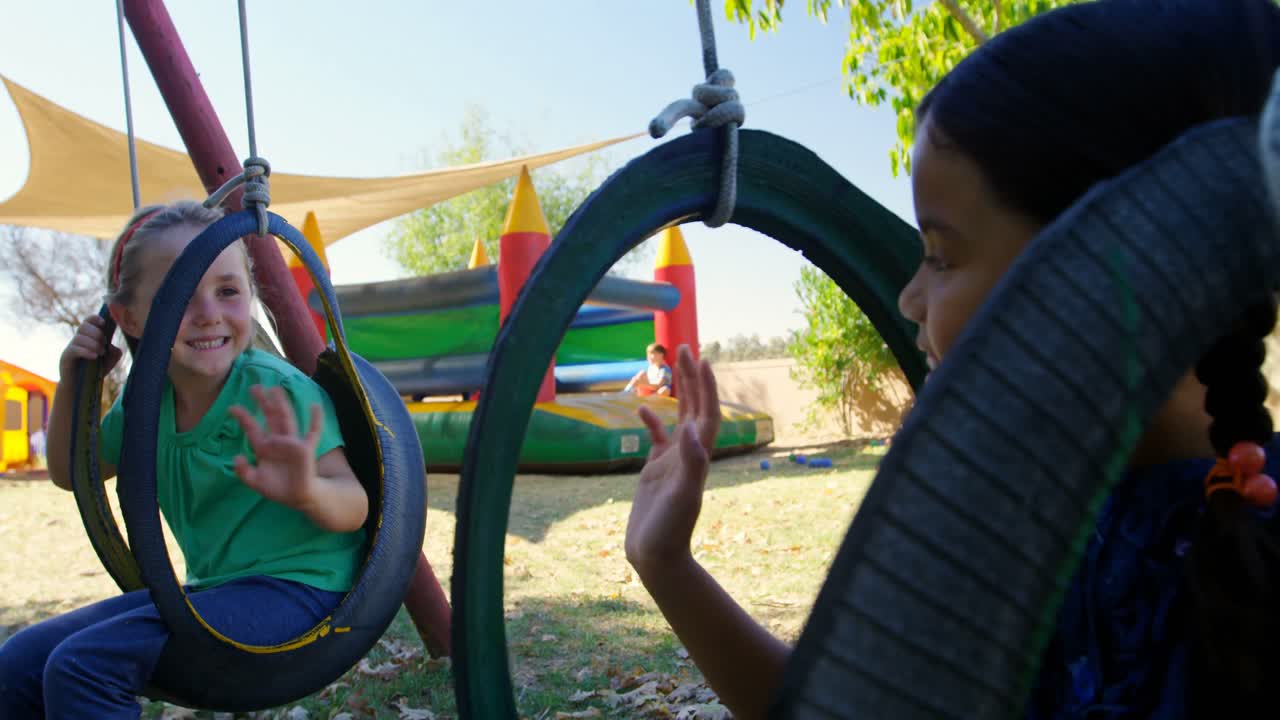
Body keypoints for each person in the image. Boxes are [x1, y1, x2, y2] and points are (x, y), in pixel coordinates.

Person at [623, 1, 1280, 718]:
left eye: (940, 254)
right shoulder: (1034, 524)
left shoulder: (1223, 559)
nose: (908, 298)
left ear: (1115, 267)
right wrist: (668, 566)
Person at [0, 201, 369, 718]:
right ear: (129, 318)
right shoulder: (145, 398)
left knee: (81, 665)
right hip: (215, 594)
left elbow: (354, 505)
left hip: (303, 593)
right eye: (179, 295)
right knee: (19, 661)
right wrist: (74, 383)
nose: (208, 313)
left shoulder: (275, 392)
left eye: (227, 291)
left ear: (251, 297)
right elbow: (70, 472)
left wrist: (308, 487)